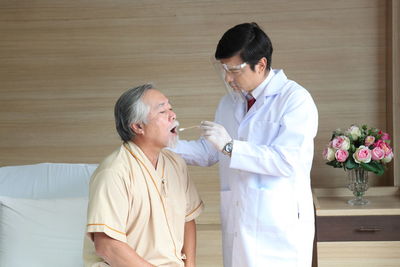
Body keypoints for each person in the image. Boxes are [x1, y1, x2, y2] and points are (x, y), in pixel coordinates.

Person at [172, 23, 318, 266]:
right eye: (224, 70)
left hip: (279, 226)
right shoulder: (230, 103)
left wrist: (231, 147)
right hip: (240, 221)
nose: (228, 78)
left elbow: (288, 161)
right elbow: (210, 152)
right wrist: (166, 144)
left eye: (234, 70)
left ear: (260, 64)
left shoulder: (295, 100)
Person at [83, 84, 204, 267]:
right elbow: (106, 246)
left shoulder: (176, 164)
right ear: (138, 126)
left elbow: (188, 220)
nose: (173, 115)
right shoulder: (114, 172)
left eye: (171, 108)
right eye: (163, 111)